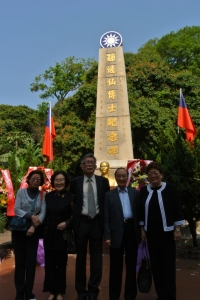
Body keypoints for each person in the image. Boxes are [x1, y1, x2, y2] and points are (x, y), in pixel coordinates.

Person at [139, 162, 185, 300]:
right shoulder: (144, 191)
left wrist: (177, 229)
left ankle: (170, 296)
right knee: (156, 266)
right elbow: (141, 211)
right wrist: (142, 229)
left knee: (168, 265)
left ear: (161, 174)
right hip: (151, 234)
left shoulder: (170, 188)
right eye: (150, 174)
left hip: (167, 233)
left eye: (156, 173)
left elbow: (177, 208)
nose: (153, 176)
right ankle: (160, 294)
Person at [70, 153, 110, 300]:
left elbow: (106, 203)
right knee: (80, 258)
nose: (89, 164)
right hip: (81, 222)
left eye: (92, 162)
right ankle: (81, 291)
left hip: (96, 222)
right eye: (86, 162)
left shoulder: (102, 181)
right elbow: (72, 201)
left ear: (95, 165)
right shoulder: (75, 182)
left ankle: (93, 290)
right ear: (82, 166)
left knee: (96, 258)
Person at [104, 167, 140, 300]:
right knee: (115, 267)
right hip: (115, 233)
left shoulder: (135, 193)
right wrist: (107, 235)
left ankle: (130, 295)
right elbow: (106, 216)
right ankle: (114, 296)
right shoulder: (109, 195)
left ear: (127, 177)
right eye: (118, 176)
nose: (121, 178)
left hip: (132, 231)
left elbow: (139, 214)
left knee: (131, 266)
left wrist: (141, 231)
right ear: (115, 177)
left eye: (123, 176)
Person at [12, 170, 46, 300]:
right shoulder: (21, 192)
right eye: (33, 178)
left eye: (38, 178)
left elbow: (43, 213)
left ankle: (29, 293)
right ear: (29, 179)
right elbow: (16, 209)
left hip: (33, 232)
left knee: (30, 263)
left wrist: (33, 226)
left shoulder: (43, 195)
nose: (36, 180)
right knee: (20, 263)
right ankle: (19, 294)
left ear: (41, 181)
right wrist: (31, 216)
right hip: (18, 231)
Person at [43, 171, 74, 300]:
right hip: (49, 234)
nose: (59, 182)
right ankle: (52, 291)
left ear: (65, 182)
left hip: (62, 235)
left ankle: (60, 291)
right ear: (53, 182)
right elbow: (43, 213)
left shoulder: (71, 196)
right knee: (49, 265)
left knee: (61, 265)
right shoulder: (48, 196)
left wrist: (66, 223)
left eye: (61, 180)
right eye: (57, 180)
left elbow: (74, 215)